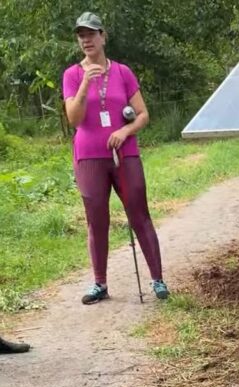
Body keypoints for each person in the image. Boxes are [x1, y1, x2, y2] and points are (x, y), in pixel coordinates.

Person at [62, 12, 169, 305]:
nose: (86, 40)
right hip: (89, 156)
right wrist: (85, 83)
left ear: (103, 36)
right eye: (81, 35)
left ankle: (158, 280)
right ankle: (100, 284)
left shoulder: (123, 72)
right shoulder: (72, 75)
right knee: (97, 221)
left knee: (139, 214)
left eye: (91, 34)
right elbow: (74, 118)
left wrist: (125, 130)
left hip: (125, 154)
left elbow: (143, 114)